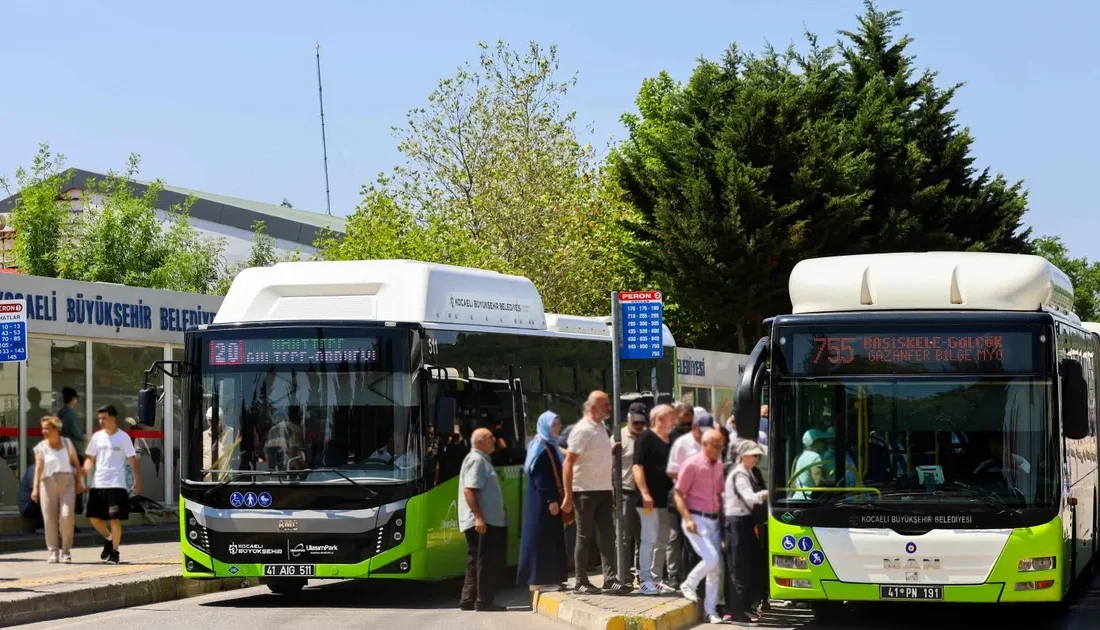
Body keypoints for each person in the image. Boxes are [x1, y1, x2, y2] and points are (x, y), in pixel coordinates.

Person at [562, 391, 631, 594]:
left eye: (609, 404)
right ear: (592, 408)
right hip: (584, 491)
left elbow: (593, 456)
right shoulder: (582, 430)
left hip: (603, 490)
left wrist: (610, 450)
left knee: (607, 536)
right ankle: (581, 582)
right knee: (584, 537)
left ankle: (610, 579)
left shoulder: (601, 428)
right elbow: (568, 463)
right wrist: (567, 495)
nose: (609, 408)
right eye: (605, 405)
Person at [673, 429, 726, 625]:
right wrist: (687, 519)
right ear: (705, 444)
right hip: (696, 518)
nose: (720, 449)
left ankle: (710, 611)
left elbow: (720, 496)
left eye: (721, 445)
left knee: (716, 568)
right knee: (711, 559)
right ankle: (689, 583)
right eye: (717, 445)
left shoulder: (719, 466)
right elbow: (679, 493)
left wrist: (723, 527)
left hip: (713, 521)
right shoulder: (692, 464)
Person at [517, 411, 569, 593]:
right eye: (554, 425)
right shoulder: (540, 447)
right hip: (542, 503)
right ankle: (538, 580)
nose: (557, 428)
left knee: (552, 537)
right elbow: (541, 476)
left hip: (547, 501)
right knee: (541, 538)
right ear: (545, 426)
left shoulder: (550, 445)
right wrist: (551, 499)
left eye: (558, 424)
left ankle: (554, 577)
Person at [458, 427, 508, 611]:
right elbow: (469, 490)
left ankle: (468, 598)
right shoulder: (476, 460)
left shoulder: (481, 460)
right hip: (481, 522)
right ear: (479, 442)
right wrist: (479, 517)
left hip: (483, 520)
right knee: (485, 561)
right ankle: (483, 601)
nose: (494, 440)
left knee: (475, 559)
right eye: (490, 438)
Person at [83, 405, 139, 564]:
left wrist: (137, 480)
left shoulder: (123, 437)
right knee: (93, 517)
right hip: (98, 483)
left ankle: (115, 552)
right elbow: (90, 459)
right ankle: (108, 539)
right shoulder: (97, 437)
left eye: (104, 418)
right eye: (99, 418)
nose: (101, 421)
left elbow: (132, 459)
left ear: (113, 419)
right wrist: (82, 473)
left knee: (114, 519)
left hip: (116, 484)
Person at [667, 407, 714, 589]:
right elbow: (671, 471)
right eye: (683, 424)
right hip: (682, 498)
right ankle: (677, 576)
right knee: (678, 538)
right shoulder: (680, 443)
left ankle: (696, 580)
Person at [632, 403, 677, 595]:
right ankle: (645, 581)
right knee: (648, 539)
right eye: (671, 418)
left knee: (662, 540)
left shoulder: (671, 439)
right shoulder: (645, 438)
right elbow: (637, 467)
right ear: (660, 419)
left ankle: (656, 579)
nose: (674, 421)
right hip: (648, 500)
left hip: (666, 500)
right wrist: (645, 493)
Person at [724, 440, 769, 623]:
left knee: (749, 565)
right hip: (736, 523)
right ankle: (737, 612)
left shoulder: (747, 472)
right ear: (742, 456)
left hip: (744, 522)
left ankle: (743, 608)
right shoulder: (740, 474)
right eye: (753, 455)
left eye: (757, 455)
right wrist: (767, 494)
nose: (756, 459)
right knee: (739, 568)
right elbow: (750, 498)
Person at [32, 416, 83, 563]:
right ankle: (53, 552)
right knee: (49, 519)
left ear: (56, 429)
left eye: (47, 428)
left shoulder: (67, 443)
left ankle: (66, 550)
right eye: (43, 428)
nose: (44, 431)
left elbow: (76, 463)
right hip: (47, 483)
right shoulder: (41, 447)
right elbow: (38, 468)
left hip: (67, 482)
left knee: (67, 516)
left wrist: (79, 481)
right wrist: (35, 488)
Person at [621, 402, 648, 585]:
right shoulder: (619, 438)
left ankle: (642, 575)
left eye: (642, 423)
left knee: (643, 537)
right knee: (624, 536)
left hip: (644, 495)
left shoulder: (647, 437)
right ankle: (624, 576)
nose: (639, 426)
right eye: (636, 423)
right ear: (628, 419)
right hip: (626, 493)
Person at [791, 428, 827, 500]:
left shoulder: (801, 457)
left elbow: (793, 484)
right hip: (808, 501)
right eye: (823, 441)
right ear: (814, 442)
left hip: (797, 498)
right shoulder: (815, 457)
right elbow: (819, 482)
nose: (825, 444)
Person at [56, 387, 84, 464]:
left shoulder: (61, 413)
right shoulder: (70, 414)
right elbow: (76, 432)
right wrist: (83, 436)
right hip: (74, 448)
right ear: (73, 399)